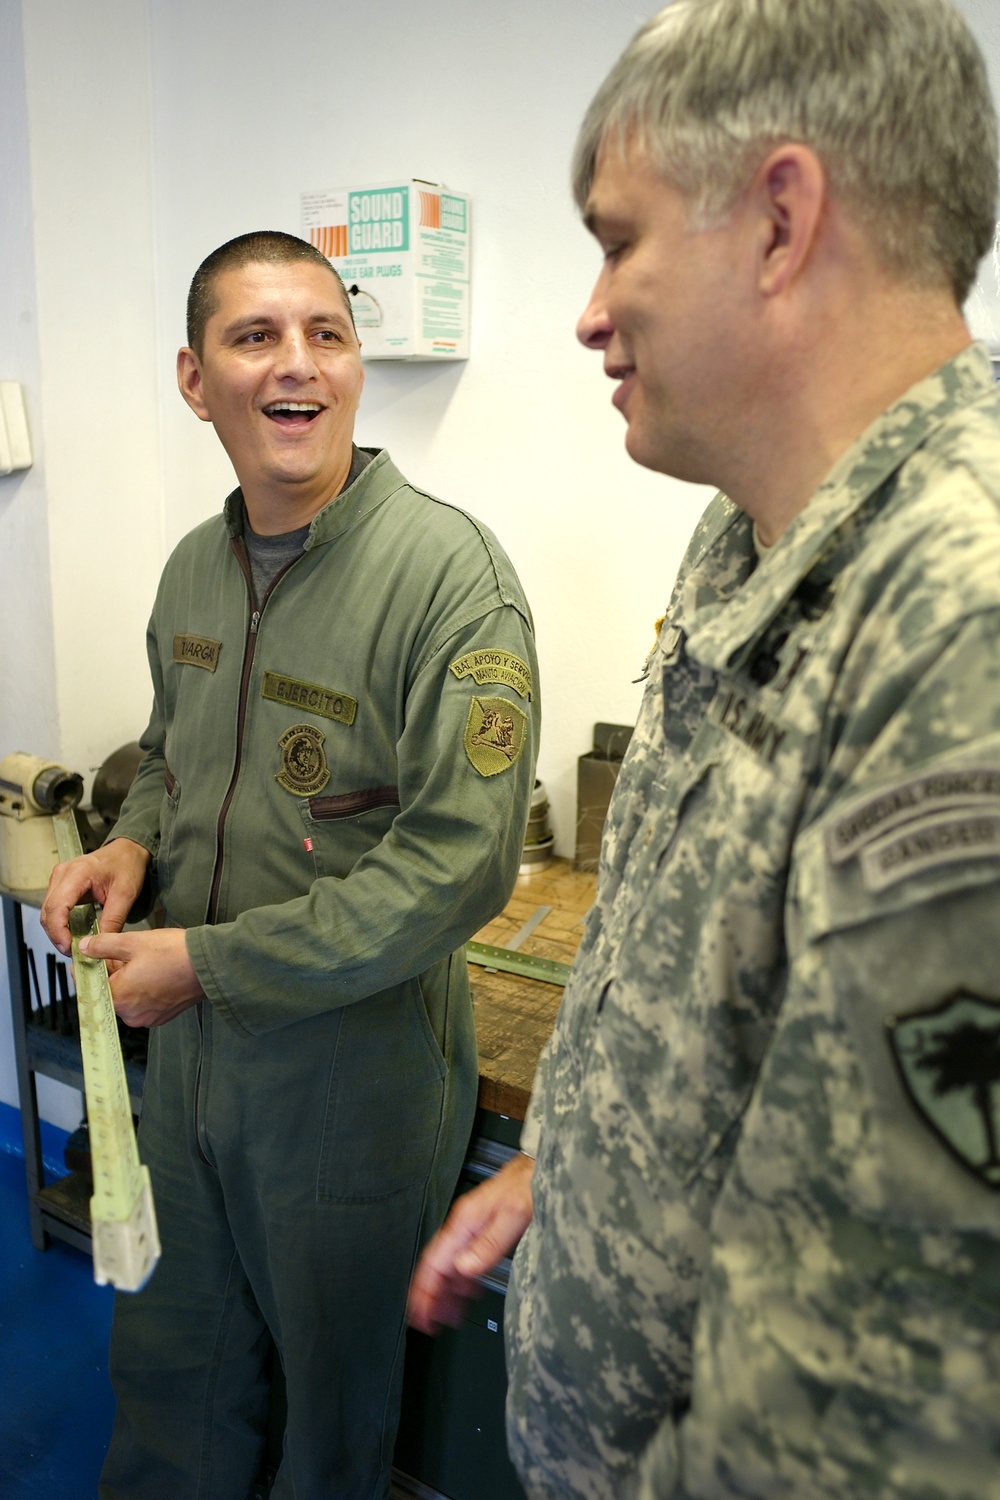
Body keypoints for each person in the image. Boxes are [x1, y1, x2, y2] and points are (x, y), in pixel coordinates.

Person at [408, 1, 1000, 1495]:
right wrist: (576, 1149)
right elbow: (698, 963)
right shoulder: (748, 528)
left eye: (618, 241)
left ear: (781, 222)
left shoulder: (961, 623)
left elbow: (889, 1399)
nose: (590, 311)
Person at [42, 230, 539, 1499]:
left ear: (357, 364)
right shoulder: (191, 570)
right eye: (254, 337)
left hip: (351, 1079)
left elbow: (458, 869)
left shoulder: (448, 580)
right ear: (193, 378)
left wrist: (203, 965)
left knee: (331, 1414)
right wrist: (129, 841)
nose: (296, 367)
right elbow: (167, 751)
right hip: (191, 1056)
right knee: (171, 1364)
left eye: (326, 333)